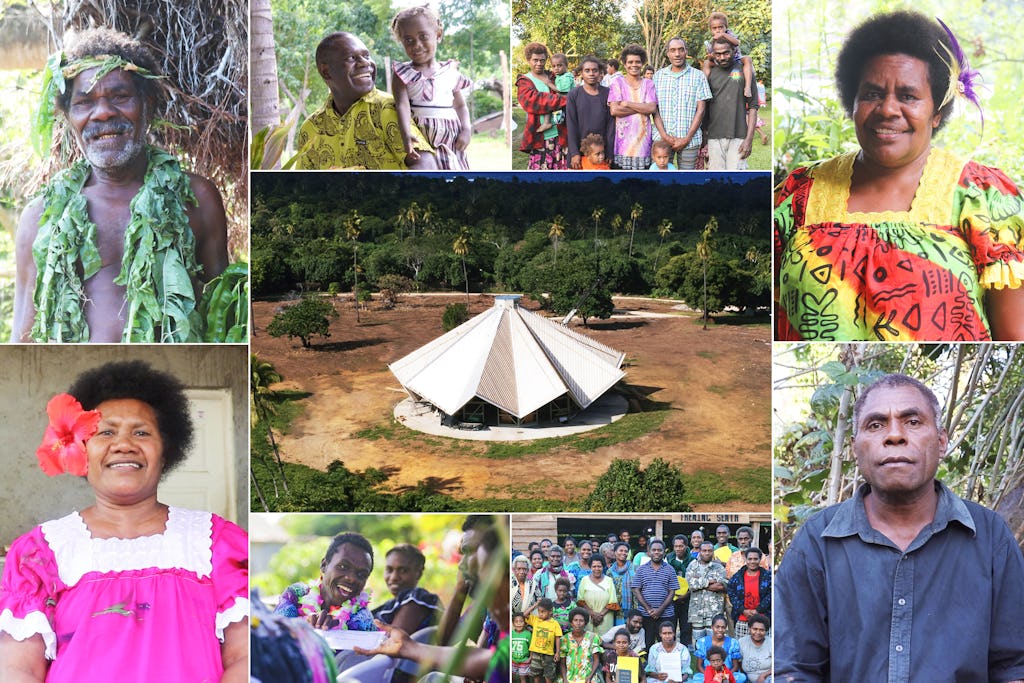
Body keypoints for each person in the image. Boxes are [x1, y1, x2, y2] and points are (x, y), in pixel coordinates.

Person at [773, 10, 1024, 342]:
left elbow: (1014, 335)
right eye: (872, 94)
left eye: (908, 96)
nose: (888, 109)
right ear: (853, 102)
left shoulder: (983, 196)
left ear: (936, 112)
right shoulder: (797, 195)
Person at [0, 360, 248, 682]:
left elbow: (245, 657)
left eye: (141, 432)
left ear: (167, 450)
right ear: (81, 449)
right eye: (106, 432)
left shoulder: (217, 542)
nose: (124, 444)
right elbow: (17, 669)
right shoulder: (40, 553)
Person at [774, 373, 1024, 681]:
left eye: (913, 422)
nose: (894, 435)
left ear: (942, 441)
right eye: (876, 425)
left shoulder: (989, 538)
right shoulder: (817, 543)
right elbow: (794, 668)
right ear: (855, 448)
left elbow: (1015, 667)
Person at [14, 28, 228, 343]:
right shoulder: (42, 217)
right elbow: (24, 337)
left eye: (120, 96)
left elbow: (224, 317)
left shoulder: (195, 199)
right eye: (84, 102)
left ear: (148, 104)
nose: (102, 112)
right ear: (69, 117)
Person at [355, 521, 511, 683]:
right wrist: (407, 646)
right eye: (389, 569)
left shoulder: (418, 598)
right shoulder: (484, 611)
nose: (461, 564)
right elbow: (479, 655)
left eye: (469, 552)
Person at [293, 32, 436, 170]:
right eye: (351, 58)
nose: (365, 63)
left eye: (367, 56)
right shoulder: (311, 128)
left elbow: (426, 167)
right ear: (326, 71)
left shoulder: (386, 109)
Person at [390, 5, 472, 170]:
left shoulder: (450, 72)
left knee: (456, 178)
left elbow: (460, 105)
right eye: (408, 40)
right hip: (420, 138)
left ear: (438, 35)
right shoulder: (402, 73)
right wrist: (406, 136)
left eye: (423, 36)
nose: (417, 45)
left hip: (452, 141)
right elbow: (402, 106)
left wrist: (466, 129)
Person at [275, 532, 376, 631]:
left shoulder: (364, 619)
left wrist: (338, 629)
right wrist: (305, 624)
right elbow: (275, 630)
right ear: (324, 565)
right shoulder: (296, 594)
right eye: (343, 566)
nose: (352, 578)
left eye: (361, 574)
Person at [652, 37, 711, 170]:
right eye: (673, 50)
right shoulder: (658, 76)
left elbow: (701, 110)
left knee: (687, 181)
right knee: (661, 181)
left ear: (686, 52)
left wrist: (686, 138)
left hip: (690, 141)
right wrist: (665, 136)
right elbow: (654, 110)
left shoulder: (698, 76)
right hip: (662, 141)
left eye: (680, 50)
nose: (677, 54)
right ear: (668, 53)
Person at [704, 36, 758, 170]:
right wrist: (704, 141)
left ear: (734, 51)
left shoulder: (745, 71)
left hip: (739, 137)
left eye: (726, 53)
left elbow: (753, 107)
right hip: (713, 137)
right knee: (716, 182)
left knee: (737, 181)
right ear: (712, 54)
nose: (722, 57)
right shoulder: (708, 73)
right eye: (718, 54)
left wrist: (749, 139)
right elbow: (702, 107)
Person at [516, 42, 568, 170]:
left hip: (561, 133)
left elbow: (569, 89)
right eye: (535, 60)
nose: (539, 63)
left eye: (542, 60)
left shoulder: (555, 76)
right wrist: (563, 99)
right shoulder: (524, 80)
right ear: (528, 60)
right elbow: (533, 101)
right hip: (542, 137)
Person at [372, 543, 444, 635]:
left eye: (403, 570)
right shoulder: (389, 605)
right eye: (389, 570)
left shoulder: (418, 597)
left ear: (419, 573)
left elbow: (393, 640)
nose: (394, 577)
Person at [608, 44, 659, 170]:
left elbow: (652, 108)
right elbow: (614, 110)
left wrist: (627, 103)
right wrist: (642, 108)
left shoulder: (648, 84)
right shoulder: (617, 83)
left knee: (642, 184)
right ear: (625, 64)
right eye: (630, 62)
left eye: (638, 62)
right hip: (623, 145)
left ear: (642, 64)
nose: (634, 65)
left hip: (643, 144)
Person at [567, 55, 615, 169]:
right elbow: (571, 124)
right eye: (587, 70)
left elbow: (611, 125)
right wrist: (574, 152)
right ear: (581, 73)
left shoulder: (608, 93)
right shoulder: (574, 94)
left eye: (595, 70)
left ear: (600, 72)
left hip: (601, 153)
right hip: (581, 151)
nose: (591, 73)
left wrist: (609, 151)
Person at [630, 538, 676, 652]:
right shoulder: (641, 569)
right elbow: (636, 589)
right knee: (647, 643)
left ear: (664, 552)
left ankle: (666, 666)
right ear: (649, 551)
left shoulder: (670, 569)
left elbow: (672, 591)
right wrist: (648, 608)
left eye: (659, 550)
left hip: (666, 614)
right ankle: (648, 668)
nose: (656, 552)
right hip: (645, 614)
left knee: (666, 642)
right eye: (654, 550)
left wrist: (660, 610)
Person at [702, 12, 754, 99]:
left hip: (735, 60)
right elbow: (712, 57)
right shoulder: (712, 41)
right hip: (721, 63)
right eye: (714, 28)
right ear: (711, 30)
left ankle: (748, 87)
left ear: (726, 27)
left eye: (720, 27)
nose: (718, 30)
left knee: (747, 59)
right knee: (706, 63)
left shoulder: (729, 34)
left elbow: (737, 43)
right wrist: (711, 57)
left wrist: (723, 35)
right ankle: (704, 87)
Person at [685, 541, 727, 646]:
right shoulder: (692, 566)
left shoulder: (719, 567)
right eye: (704, 550)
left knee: (714, 642)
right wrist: (709, 581)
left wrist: (699, 583)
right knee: (699, 644)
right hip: (697, 612)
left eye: (709, 551)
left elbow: (722, 586)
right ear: (699, 551)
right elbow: (689, 585)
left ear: (713, 552)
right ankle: (700, 662)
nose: (707, 553)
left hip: (714, 611)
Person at [725, 548, 770, 638]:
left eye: (755, 559)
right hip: (742, 619)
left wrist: (758, 610)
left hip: (762, 618)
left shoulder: (768, 576)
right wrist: (743, 610)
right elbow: (731, 592)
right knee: (742, 648)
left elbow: (770, 595)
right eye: (750, 559)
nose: (752, 562)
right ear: (745, 560)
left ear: (760, 560)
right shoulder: (738, 577)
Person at [693, 614, 745, 683]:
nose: (720, 630)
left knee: (741, 677)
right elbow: (699, 666)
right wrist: (711, 676)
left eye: (723, 627)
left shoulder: (733, 643)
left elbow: (735, 666)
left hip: (727, 673)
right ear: (712, 627)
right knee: (697, 679)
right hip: (707, 673)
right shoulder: (702, 642)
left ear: (726, 628)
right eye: (717, 627)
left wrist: (724, 677)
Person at [576, 556, 619, 635]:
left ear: (603, 567)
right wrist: (592, 614)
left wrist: (600, 615)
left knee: (604, 641)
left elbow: (613, 602)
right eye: (594, 566)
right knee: (588, 640)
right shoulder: (584, 580)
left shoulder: (609, 580)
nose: (597, 569)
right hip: (588, 616)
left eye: (599, 566)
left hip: (606, 616)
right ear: (590, 567)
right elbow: (580, 601)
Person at [560, 608, 603, 683]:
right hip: (569, 676)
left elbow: (596, 660)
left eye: (581, 621)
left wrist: (590, 677)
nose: (578, 623)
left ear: (585, 623)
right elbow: (562, 663)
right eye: (575, 620)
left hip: (587, 675)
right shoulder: (564, 639)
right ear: (571, 622)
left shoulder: (593, 637)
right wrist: (564, 679)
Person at [525, 598, 561, 683]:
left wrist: (557, 652)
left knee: (549, 675)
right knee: (536, 675)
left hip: (548, 654)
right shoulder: (536, 620)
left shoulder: (555, 623)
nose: (540, 614)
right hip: (535, 653)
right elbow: (525, 614)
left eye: (543, 611)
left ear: (550, 611)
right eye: (539, 611)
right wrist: (536, 605)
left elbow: (557, 638)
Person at [607, 541, 636, 625]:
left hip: (632, 608)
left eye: (626, 551)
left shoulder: (634, 569)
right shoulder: (610, 571)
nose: (623, 553)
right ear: (615, 552)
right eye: (621, 550)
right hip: (615, 610)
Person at [736, 615, 771, 683]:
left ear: (766, 631)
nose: (757, 632)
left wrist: (763, 675)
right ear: (749, 629)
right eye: (755, 629)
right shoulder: (742, 642)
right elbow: (739, 662)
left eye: (761, 630)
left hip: (769, 678)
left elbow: (778, 665)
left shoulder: (771, 643)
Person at [511, 612, 532, 683]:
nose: (519, 623)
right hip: (513, 660)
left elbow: (531, 647)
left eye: (521, 621)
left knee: (522, 677)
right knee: (511, 676)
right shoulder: (511, 634)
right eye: (516, 622)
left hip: (524, 660)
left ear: (525, 623)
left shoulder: (528, 634)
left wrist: (530, 658)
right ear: (513, 624)